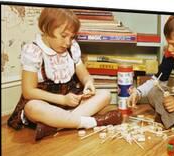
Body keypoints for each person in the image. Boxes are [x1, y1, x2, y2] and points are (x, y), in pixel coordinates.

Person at [8, 8, 122, 141]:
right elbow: (28, 92)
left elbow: (84, 74)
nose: (68, 42)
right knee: (32, 108)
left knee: (105, 95)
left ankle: (57, 124)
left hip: (70, 103)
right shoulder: (33, 51)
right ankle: (93, 122)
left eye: (72, 37)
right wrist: (62, 100)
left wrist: (88, 82)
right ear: (46, 28)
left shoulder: (72, 48)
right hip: (46, 104)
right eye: (63, 36)